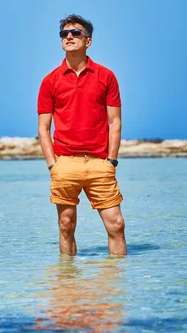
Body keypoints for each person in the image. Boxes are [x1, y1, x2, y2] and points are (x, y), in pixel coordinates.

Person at [37, 14, 127, 256]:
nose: (69, 37)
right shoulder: (50, 81)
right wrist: (52, 165)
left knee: (116, 224)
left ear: (88, 41)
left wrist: (112, 160)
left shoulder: (106, 76)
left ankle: (116, 286)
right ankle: (67, 285)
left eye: (76, 33)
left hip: (100, 163)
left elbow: (114, 121)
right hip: (65, 163)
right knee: (66, 226)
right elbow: (43, 128)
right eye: (64, 34)